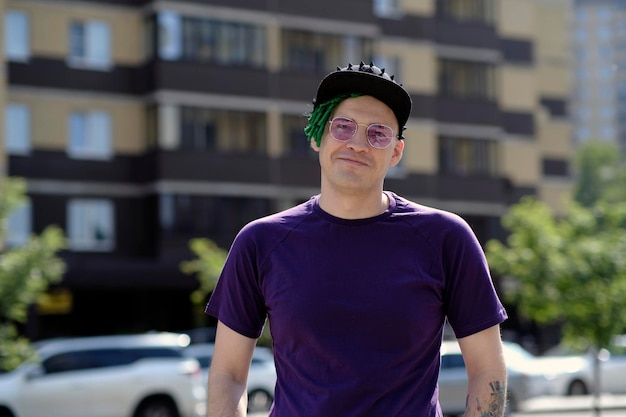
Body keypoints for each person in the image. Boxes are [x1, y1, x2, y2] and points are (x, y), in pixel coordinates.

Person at [205, 62, 508, 417]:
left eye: (377, 133)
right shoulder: (261, 242)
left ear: (395, 152)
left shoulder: (445, 238)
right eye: (343, 127)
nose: (358, 144)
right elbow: (228, 373)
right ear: (318, 136)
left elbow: (488, 368)